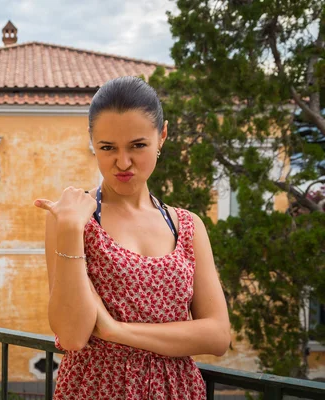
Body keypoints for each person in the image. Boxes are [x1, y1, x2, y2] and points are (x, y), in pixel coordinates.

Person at [34, 76, 231, 399]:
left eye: (137, 146)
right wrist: (70, 230)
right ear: (92, 142)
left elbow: (218, 335)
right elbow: (71, 335)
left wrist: (116, 331)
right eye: (107, 148)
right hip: (95, 390)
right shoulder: (72, 218)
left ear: (162, 136)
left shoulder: (187, 226)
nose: (122, 163)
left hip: (177, 391)